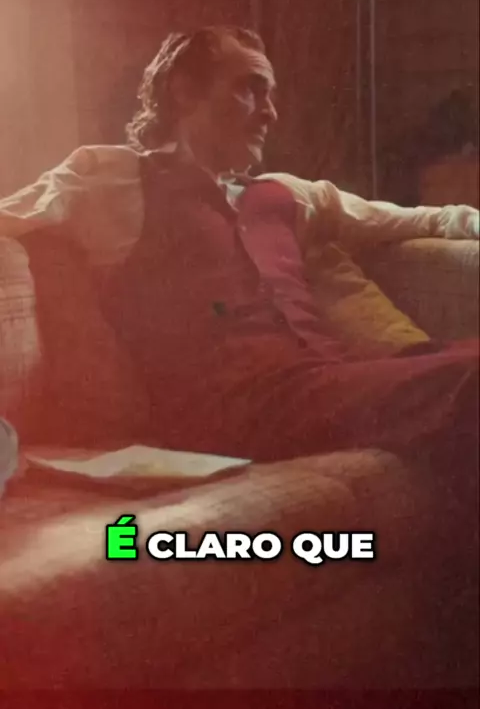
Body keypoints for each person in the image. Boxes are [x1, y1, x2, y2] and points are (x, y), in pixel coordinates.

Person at [1, 25, 479, 462]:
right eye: (250, 89)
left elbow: (429, 219)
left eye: (270, 94)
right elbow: (11, 217)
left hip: (329, 384)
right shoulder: (111, 178)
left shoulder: (286, 193)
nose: (270, 112)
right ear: (184, 90)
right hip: (229, 411)